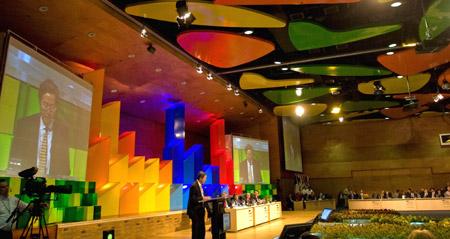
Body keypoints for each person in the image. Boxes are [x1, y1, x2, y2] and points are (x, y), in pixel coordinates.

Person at [9, 79, 70, 177]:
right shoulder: (24, 125)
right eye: (45, 105)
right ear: (39, 103)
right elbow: (15, 160)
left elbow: (65, 168)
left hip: (50, 185)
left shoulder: (63, 130)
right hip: (27, 183)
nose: (48, 111)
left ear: (57, 107)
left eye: (52, 106)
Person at [187, 171, 211, 239]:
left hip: (200, 211)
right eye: (205, 178)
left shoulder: (200, 185)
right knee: (196, 230)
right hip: (195, 212)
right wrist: (203, 198)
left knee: (201, 229)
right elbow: (193, 199)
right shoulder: (194, 185)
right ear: (200, 178)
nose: (205, 180)